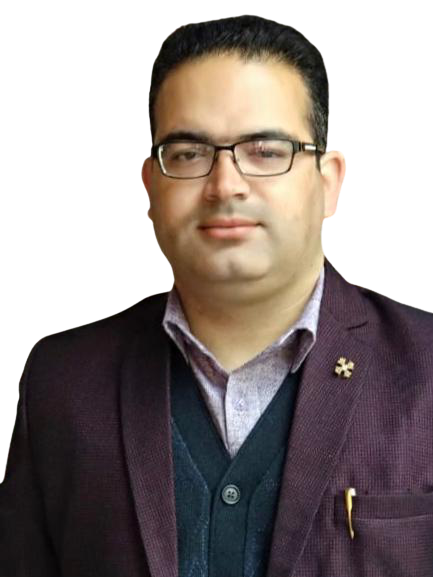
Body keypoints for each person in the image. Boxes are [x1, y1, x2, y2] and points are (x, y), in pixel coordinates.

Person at [1, 13, 433, 577]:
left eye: (266, 150)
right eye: (188, 153)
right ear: (152, 186)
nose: (225, 185)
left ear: (328, 182)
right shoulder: (63, 384)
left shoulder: (426, 370)